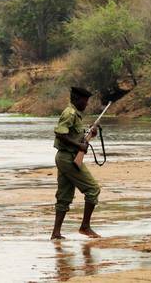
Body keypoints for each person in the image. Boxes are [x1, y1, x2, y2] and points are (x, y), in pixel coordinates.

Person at [50, 87, 102, 240]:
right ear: (78, 99)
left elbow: (73, 135)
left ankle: (56, 233)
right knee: (93, 189)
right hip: (68, 158)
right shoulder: (70, 113)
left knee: (64, 196)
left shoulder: (76, 115)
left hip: (66, 158)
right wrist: (79, 146)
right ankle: (85, 227)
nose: (86, 104)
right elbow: (60, 134)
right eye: (85, 100)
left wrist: (90, 134)